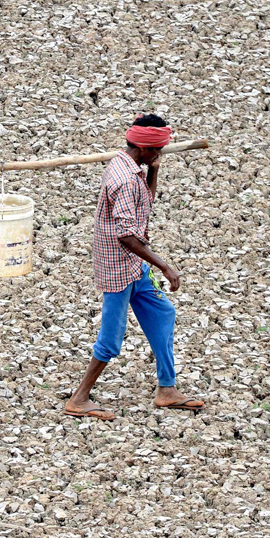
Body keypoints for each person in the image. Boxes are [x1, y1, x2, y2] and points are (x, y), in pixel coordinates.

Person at [64, 114, 205, 420]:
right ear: (143, 148)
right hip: (118, 269)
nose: (160, 154)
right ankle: (79, 398)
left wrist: (153, 172)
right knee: (111, 340)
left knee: (163, 313)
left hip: (134, 265)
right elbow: (127, 235)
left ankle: (167, 390)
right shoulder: (125, 180)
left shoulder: (126, 164)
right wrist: (166, 267)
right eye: (157, 151)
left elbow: (144, 207)